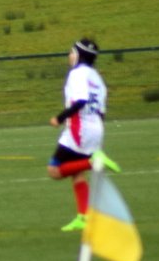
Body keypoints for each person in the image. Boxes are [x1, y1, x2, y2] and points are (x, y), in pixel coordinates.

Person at [48, 38, 118, 232]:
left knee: (54, 170)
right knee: (77, 173)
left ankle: (94, 161)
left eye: (72, 52)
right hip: (95, 128)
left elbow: (80, 100)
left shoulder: (77, 73)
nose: (69, 56)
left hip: (79, 129)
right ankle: (83, 217)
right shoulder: (96, 77)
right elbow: (101, 110)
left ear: (79, 55)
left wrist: (59, 118)